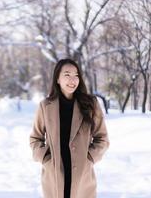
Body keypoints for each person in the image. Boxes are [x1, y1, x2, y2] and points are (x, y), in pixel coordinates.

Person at [29, 59, 109, 198]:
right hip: (54, 175)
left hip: (82, 176)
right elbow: (35, 138)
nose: (73, 79)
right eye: (67, 74)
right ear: (58, 79)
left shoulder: (91, 104)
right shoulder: (45, 106)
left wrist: (89, 158)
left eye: (76, 75)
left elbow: (102, 138)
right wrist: (45, 159)